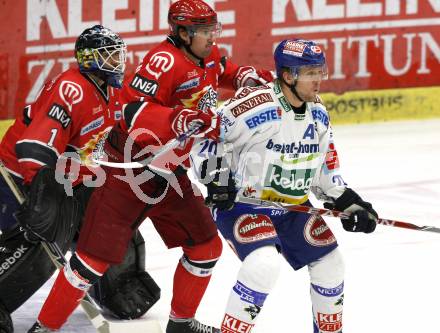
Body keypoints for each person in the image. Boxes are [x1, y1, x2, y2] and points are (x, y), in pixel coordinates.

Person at [27, 1, 274, 332]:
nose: (212, 38)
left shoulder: (206, 53)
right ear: (182, 32)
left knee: (205, 247)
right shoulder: (163, 61)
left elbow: (219, 67)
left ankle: (181, 325)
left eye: (214, 30)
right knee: (91, 263)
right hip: (129, 171)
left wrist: (242, 74)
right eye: (204, 32)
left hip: (168, 171)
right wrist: (177, 118)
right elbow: (130, 110)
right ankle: (43, 328)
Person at [195, 38, 379, 333]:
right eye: (310, 73)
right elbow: (207, 136)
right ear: (288, 75)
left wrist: (347, 201)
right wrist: (217, 178)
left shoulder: (318, 112)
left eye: (320, 71)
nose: (318, 80)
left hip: (293, 208)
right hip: (244, 205)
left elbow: (324, 167)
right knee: (263, 265)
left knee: (331, 265)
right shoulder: (253, 106)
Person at [0, 25, 160, 333]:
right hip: (19, 178)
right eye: (111, 57)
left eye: (119, 57)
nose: (119, 63)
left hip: (67, 177)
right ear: (90, 59)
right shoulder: (70, 88)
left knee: (110, 217)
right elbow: (33, 148)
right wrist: (43, 195)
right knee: (43, 240)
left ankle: (116, 284)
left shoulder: (110, 90)